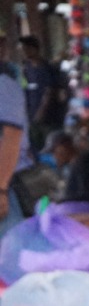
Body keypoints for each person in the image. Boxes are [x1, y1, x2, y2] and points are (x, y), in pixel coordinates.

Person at [19, 36, 68, 155]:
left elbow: (49, 92)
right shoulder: (27, 68)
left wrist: (41, 112)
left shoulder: (47, 68)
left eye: (26, 49)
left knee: (51, 148)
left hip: (49, 118)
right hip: (32, 116)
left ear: (34, 49)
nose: (24, 52)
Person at [0, 69, 29, 236]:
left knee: (8, 245)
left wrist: (1, 189)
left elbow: (12, 138)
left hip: (7, 186)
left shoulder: (4, 86)